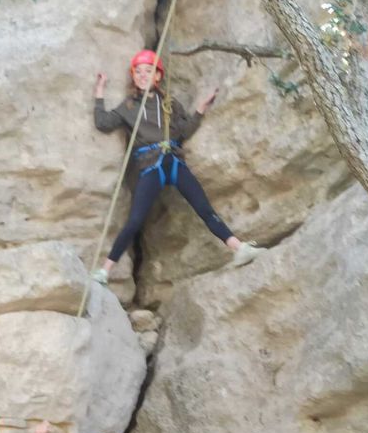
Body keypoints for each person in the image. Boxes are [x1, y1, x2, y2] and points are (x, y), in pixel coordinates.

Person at [92, 48, 267, 284]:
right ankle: (105, 271)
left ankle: (239, 248)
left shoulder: (169, 104)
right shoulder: (129, 107)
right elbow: (103, 123)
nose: (143, 76)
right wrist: (99, 92)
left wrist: (200, 110)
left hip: (173, 161)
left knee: (204, 208)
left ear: (157, 76)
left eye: (148, 71)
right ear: (133, 76)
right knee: (135, 221)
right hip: (151, 166)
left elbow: (183, 131)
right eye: (138, 72)